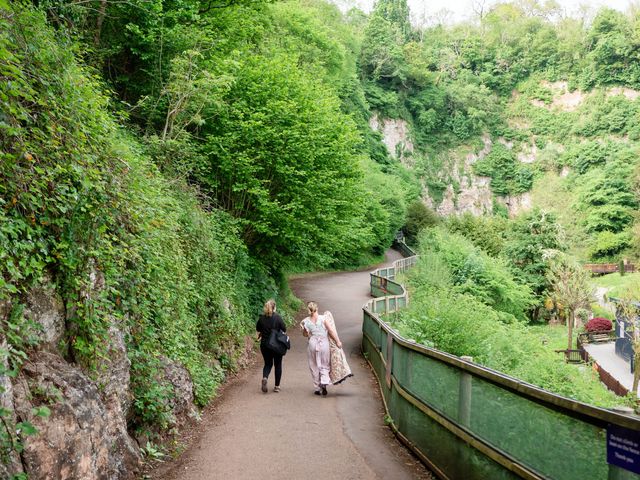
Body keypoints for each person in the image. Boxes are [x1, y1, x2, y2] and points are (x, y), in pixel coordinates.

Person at [300, 301, 343, 396]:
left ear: (308, 310)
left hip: (312, 343)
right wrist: (338, 341)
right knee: (324, 363)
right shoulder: (323, 319)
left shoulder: (306, 321)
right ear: (317, 309)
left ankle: (317, 387)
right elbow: (331, 331)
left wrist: (305, 330)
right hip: (323, 343)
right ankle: (324, 382)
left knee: (313, 365)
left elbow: (305, 335)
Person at [256, 299, 286, 393]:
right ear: (274, 308)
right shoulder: (278, 318)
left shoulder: (262, 318)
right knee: (278, 364)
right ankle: (277, 386)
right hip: (276, 345)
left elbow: (258, 328)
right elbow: (284, 328)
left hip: (265, 345)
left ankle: (265, 378)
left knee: (268, 364)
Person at [324, 311, 353, 385]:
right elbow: (331, 331)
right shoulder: (328, 324)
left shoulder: (323, 321)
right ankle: (340, 375)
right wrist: (338, 341)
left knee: (335, 359)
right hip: (331, 343)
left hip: (327, 343)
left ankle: (342, 374)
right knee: (337, 358)